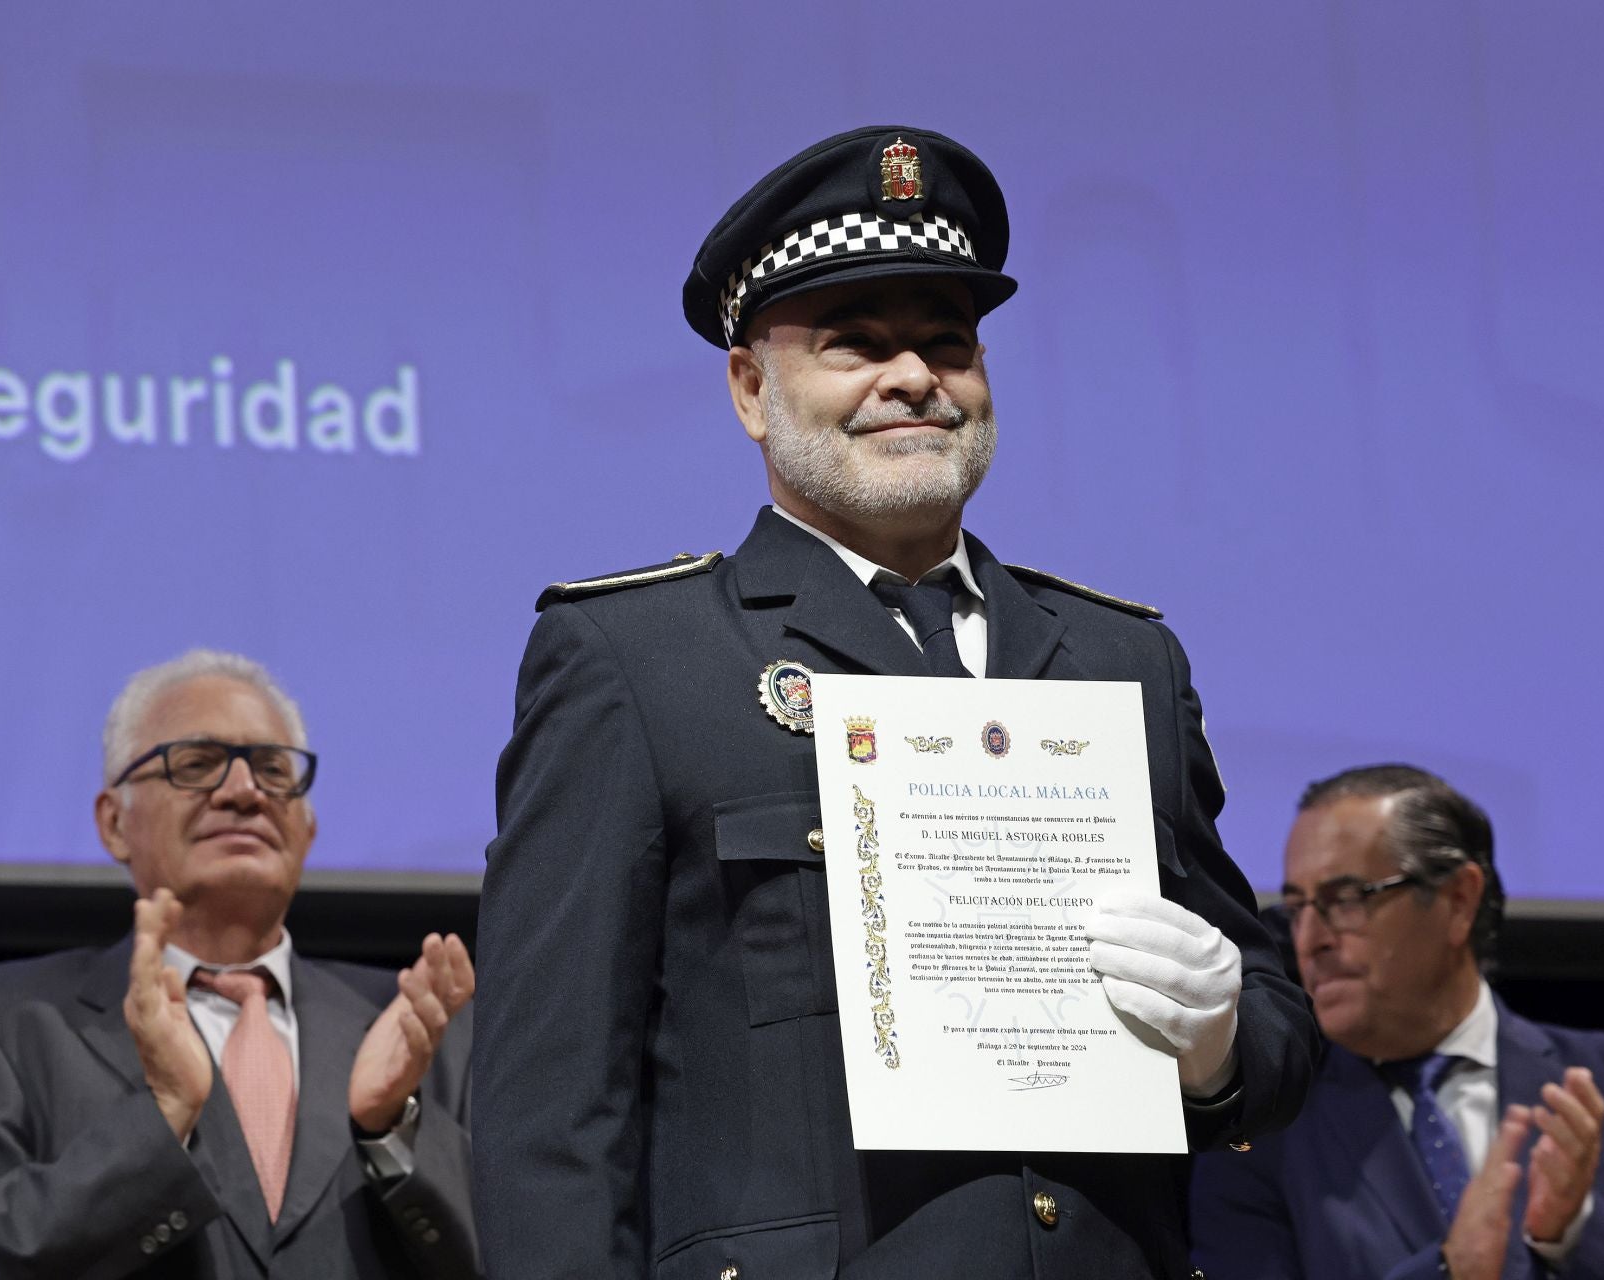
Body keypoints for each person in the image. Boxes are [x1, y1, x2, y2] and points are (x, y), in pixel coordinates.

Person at [474, 125, 1318, 1280]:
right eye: (854, 344)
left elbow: (1273, 1029)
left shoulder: (1124, 661)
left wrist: (1219, 1045)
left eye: (948, 344)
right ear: (750, 389)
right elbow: (550, 1109)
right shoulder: (638, 658)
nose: (914, 377)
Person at [0, 650, 480, 1279]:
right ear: (115, 823)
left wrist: (390, 1131)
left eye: (273, 771)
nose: (244, 792)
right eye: (196, 765)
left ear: (307, 828)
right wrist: (163, 1118)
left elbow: (541, 1257)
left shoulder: (426, 1028)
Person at [1190, 764, 1604, 1279]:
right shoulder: (1264, 1129)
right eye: (1297, 907)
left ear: (1458, 900)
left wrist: (1576, 1230)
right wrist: (1450, 1267)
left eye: (1347, 898)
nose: (1311, 940)